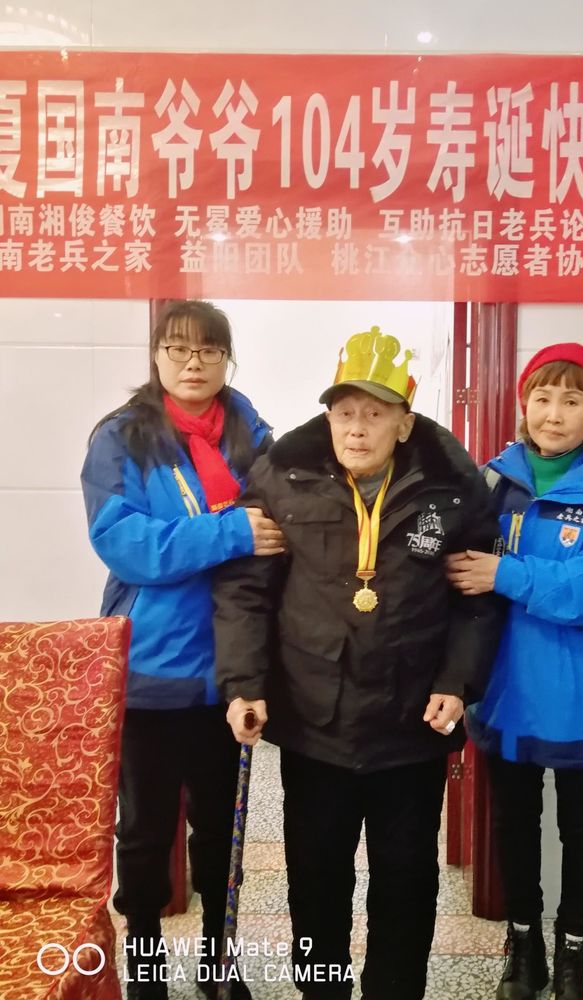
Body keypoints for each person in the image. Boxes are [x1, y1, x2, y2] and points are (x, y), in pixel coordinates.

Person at [212, 327, 502, 1000]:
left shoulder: (453, 487)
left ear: (405, 421)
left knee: (406, 878)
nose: (357, 427)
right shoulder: (285, 476)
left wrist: (457, 683)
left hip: (413, 721)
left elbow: (477, 599)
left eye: (375, 412)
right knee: (316, 879)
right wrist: (244, 684)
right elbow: (246, 590)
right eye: (344, 411)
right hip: (317, 719)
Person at [81, 299, 284, 1000]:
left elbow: (281, 534)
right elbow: (125, 544)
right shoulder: (121, 437)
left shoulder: (256, 439)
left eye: (208, 350)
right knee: (142, 833)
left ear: (227, 359)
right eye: (178, 348)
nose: (193, 362)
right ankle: (144, 966)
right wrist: (231, 533)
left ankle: (218, 964)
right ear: (157, 355)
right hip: (149, 667)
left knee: (221, 832)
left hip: (230, 671)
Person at [446, 343, 583, 1000]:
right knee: (513, 825)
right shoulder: (489, 484)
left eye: (572, 399)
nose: (554, 414)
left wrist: (506, 574)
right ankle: (524, 947)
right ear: (524, 404)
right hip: (503, 691)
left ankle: (574, 952)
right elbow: (453, 569)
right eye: (542, 397)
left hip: (582, 696)